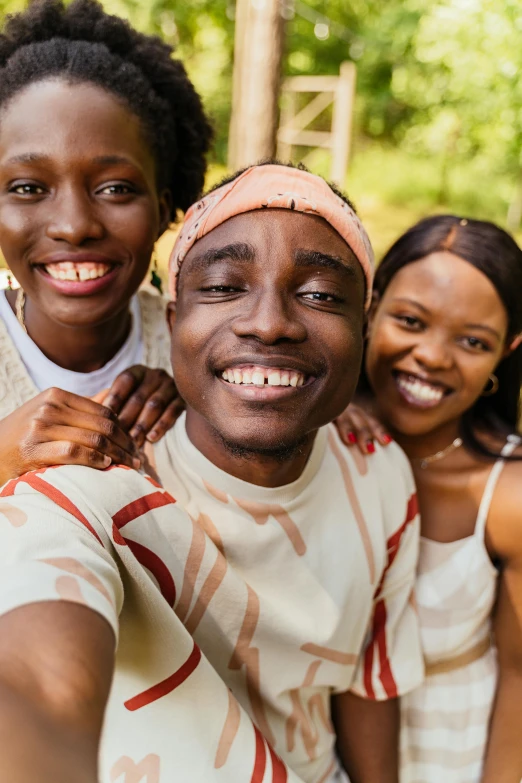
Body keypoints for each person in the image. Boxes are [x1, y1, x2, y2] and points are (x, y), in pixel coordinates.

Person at [0, 163, 423, 783]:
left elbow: (366, 683)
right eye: (225, 287)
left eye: (323, 295)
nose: (269, 322)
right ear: (171, 323)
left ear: (364, 328)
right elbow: (41, 684)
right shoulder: (93, 490)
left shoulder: (380, 470)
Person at [337, 215, 522, 783]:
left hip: (452, 752)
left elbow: (520, 674)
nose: (434, 357)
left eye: (472, 342)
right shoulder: (306, 443)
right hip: (306, 747)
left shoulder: (506, 494)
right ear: (370, 307)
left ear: (507, 351)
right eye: (411, 321)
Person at [0, 0, 212, 483]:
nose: (75, 226)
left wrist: (203, 418)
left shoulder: (204, 347)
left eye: (115, 188)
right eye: (29, 187)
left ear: (162, 210)